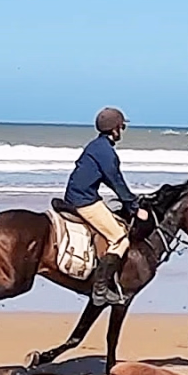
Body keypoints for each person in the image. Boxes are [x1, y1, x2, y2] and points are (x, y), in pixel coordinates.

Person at [65, 107, 142, 306]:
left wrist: (130, 199)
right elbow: (115, 181)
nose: (122, 131)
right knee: (120, 239)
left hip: (81, 195)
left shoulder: (96, 146)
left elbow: (112, 181)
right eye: (121, 127)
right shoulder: (106, 151)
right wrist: (134, 207)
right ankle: (100, 290)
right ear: (115, 129)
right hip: (85, 200)